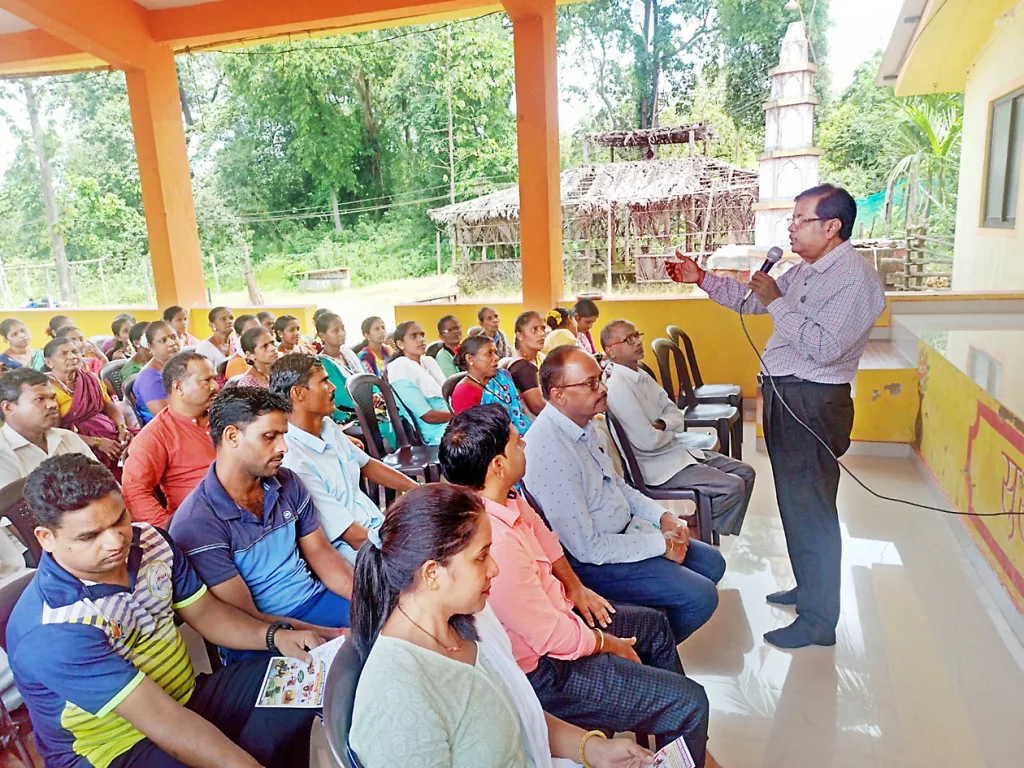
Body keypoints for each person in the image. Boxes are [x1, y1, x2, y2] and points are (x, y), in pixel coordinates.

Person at [668, 184, 885, 649]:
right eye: (792, 218)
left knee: (812, 509)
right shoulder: (804, 270)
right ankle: (809, 588)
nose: (790, 226)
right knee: (795, 502)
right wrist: (701, 278)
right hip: (787, 396)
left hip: (813, 400)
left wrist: (777, 301)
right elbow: (751, 301)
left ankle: (819, 620)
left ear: (832, 227)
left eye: (801, 218)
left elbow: (824, 348)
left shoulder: (854, 280)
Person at [7, 453, 323, 768]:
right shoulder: (53, 627)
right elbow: (164, 722)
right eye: (89, 536)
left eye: (119, 519)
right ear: (46, 538)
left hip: (184, 697)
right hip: (112, 747)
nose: (115, 541)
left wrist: (274, 636)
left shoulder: (151, 543)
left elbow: (207, 614)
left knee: (305, 673)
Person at [440, 405, 712, 762]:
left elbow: (545, 538)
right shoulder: (495, 542)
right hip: (547, 671)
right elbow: (550, 636)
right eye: (517, 444)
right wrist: (608, 644)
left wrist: (575, 587)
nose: (525, 446)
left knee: (655, 625)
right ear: (498, 466)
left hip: (563, 621)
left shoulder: (507, 497)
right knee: (691, 702)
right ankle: (678, 723)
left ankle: (672, 747)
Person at [348, 483, 655, 768]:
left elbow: (515, 715)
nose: (494, 568)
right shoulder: (397, 695)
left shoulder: (468, 622)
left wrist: (593, 749)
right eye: (481, 557)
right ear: (432, 574)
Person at [523, 346, 726, 645]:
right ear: (559, 394)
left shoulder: (583, 425)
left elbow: (617, 486)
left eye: (600, 378)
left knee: (712, 564)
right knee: (700, 597)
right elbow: (587, 549)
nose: (603, 388)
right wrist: (661, 544)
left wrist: (663, 517)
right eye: (590, 383)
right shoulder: (549, 451)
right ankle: (647, 651)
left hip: (624, 533)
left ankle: (647, 636)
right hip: (594, 562)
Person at [169, 387, 354, 662]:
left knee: (401, 629)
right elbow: (247, 615)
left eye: (283, 435)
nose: (283, 447)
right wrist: (335, 635)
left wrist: (372, 600)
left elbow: (323, 556)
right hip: (262, 636)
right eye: (270, 437)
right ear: (232, 436)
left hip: (317, 601)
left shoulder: (287, 482)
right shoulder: (197, 524)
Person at [602, 320, 754, 538]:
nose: (637, 342)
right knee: (733, 486)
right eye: (628, 339)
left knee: (746, 472)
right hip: (658, 467)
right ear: (611, 351)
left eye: (637, 335)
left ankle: (695, 525)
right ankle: (697, 531)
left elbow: (675, 413)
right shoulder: (618, 387)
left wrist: (663, 425)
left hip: (676, 452)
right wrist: (667, 429)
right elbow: (648, 442)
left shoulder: (642, 376)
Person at [272, 354, 418, 563]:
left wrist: (419, 490)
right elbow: (352, 536)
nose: (332, 388)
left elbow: (367, 464)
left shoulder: (327, 426)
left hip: (378, 529)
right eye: (323, 381)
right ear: (298, 393)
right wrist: (405, 547)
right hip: (358, 554)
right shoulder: (294, 460)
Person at [122, 352, 220, 529]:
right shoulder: (156, 435)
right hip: (205, 526)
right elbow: (135, 492)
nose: (215, 386)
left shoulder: (224, 417)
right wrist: (172, 529)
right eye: (206, 380)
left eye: (215, 379)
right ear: (179, 387)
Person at [44, 336, 131, 476]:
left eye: (75, 352)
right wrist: (97, 442)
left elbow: (109, 405)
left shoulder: (90, 378)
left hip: (111, 435)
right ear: (49, 362)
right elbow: (55, 432)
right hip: (76, 445)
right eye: (64, 353)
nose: (72, 356)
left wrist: (122, 428)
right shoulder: (46, 389)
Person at [0, 368, 93, 489]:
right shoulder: (3, 455)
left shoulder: (68, 438)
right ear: (8, 408)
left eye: (52, 398)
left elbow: (104, 482)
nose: (52, 405)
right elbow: (18, 506)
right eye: (39, 399)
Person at [450, 335, 532, 434]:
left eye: (495, 352)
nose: (496, 358)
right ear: (470, 359)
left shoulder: (502, 375)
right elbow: (471, 435)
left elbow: (519, 409)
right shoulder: (463, 393)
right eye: (489, 353)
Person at [387, 320, 451, 445]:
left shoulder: (427, 362)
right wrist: (459, 416)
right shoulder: (400, 370)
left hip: (451, 421)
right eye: (413, 336)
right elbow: (428, 416)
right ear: (400, 344)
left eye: (422, 335)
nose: (421, 339)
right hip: (436, 432)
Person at [133, 321, 181, 425]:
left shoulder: (178, 366)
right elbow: (168, 419)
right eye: (163, 340)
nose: (172, 343)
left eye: (173, 337)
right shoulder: (149, 378)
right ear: (151, 347)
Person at [508, 310, 548, 418]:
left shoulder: (540, 358)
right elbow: (538, 407)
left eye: (543, 328)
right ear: (519, 335)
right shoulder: (522, 367)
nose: (542, 334)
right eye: (534, 329)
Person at [195, 306, 235, 371]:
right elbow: (203, 372)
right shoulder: (204, 347)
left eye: (231, 318)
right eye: (223, 319)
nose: (229, 321)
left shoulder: (237, 342)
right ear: (212, 325)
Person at [224, 314, 260, 380]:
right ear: (238, 336)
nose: (258, 334)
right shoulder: (237, 363)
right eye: (250, 331)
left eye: (259, 329)